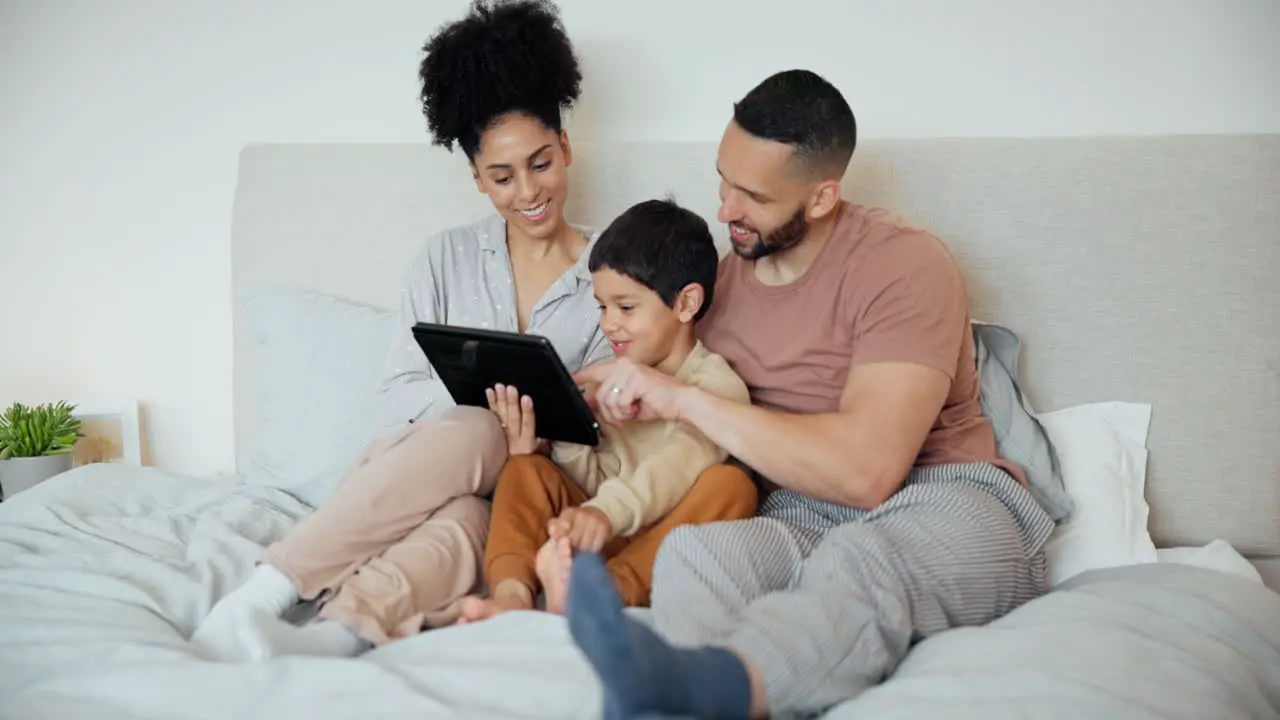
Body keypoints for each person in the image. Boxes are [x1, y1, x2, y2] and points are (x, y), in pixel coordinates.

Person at [561, 69, 1057, 719]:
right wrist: (601, 397)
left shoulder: (904, 266)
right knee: (697, 551)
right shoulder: (721, 286)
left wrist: (682, 400)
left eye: (753, 197)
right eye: (723, 180)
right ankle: (681, 696)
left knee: (860, 559)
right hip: (796, 512)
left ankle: (705, 690)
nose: (725, 210)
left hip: (949, 498)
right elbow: (667, 376)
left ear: (822, 198)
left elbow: (866, 472)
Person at [189, 0, 616, 661]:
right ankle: (268, 588)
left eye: (541, 163)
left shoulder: (614, 275)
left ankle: (331, 635)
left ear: (566, 149)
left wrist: (528, 448)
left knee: (474, 524)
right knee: (476, 429)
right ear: (476, 177)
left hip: (524, 501)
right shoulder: (442, 258)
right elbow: (395, 398)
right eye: (501, 176)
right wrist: (485, 423)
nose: (528, 191)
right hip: (412, 472)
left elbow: (612, 428)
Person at [457, 198, 758, 623]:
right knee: (525, 468)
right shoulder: (608, 378)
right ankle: (512, 594)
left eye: (626, 307)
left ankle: (606, 593)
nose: (608, 323)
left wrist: (605, 513)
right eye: (602, 306)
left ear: (686, 303)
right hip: (600, 526)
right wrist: (568, 431)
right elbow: (594, 481)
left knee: (732, 486)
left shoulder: (717, 387)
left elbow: (678, 465)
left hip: (658, 539)